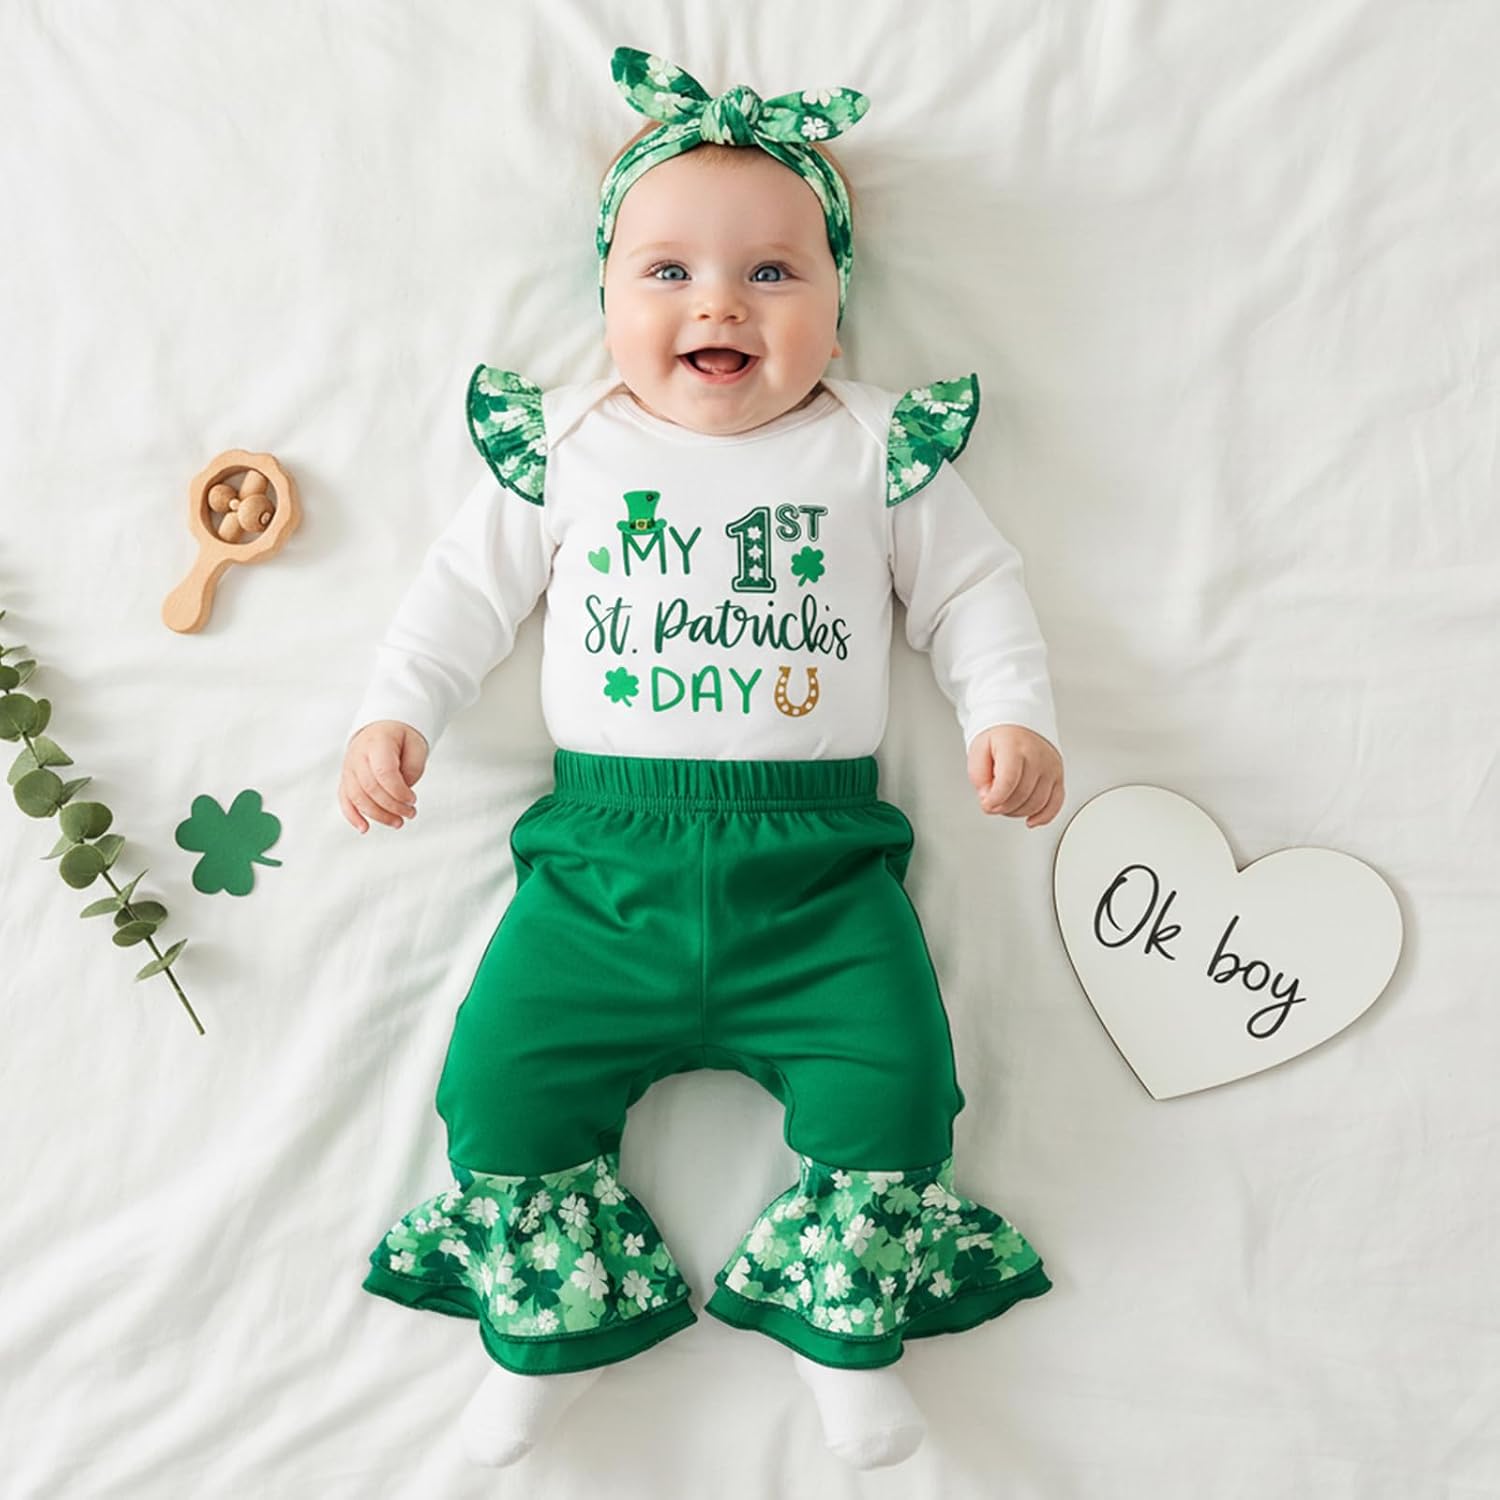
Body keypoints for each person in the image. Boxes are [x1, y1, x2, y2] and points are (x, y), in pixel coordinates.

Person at [339, 45, 1065, 1473]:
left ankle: (843, 1336)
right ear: (603, 299)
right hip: (600, 872)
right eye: (666, 273)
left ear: (838, 310)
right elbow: (455, 600)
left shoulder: (871, 453)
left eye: (772, 275)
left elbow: (976, 593)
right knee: (500, 1081)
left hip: (820, 881)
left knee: (897, 1084)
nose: (719, 302)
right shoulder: (568, 451)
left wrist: (1008, 715)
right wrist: (396, 713)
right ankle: (541, 1334)